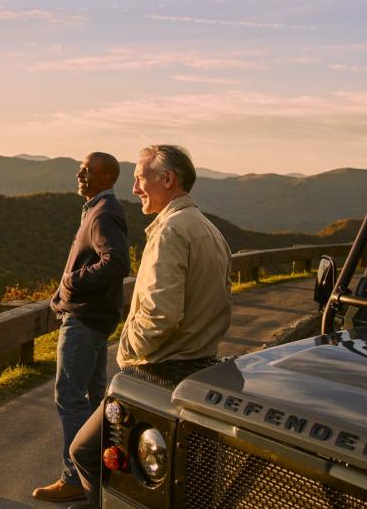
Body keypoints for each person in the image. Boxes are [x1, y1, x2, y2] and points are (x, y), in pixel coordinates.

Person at [65, 144, 231, 506]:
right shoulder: (210, 231)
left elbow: (160, 316)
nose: (135, 188)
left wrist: (126, 355)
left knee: (85, 451)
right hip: (199, 369)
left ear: (168, 179)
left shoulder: (170, 232)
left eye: (140, 179)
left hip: (158, 371)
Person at [32, 152, 130, 503]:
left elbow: (117, 261)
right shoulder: (97, 208)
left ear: (107, 178)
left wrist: (73, 281)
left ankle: (74, 478)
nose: (80, 173)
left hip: (84, 319)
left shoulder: (104, 212)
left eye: (87, 170)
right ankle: (98, 469)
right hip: (91, 319)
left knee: (70, 397)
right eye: (81, 169)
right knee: (91, 398)